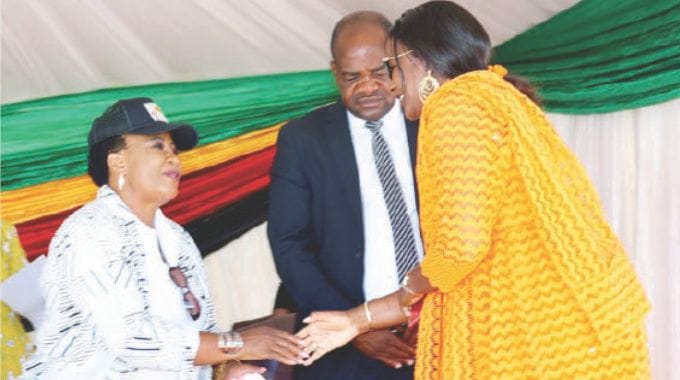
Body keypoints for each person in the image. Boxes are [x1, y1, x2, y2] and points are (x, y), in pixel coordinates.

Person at [297, 2, 652, 379]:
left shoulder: (457, 105)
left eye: (392, 68)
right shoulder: (498, 99)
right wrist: (356, 322)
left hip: (540, 343)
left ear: (418, 60)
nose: (391, 85)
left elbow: (459, 251)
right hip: (571, 329)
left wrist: (412, 283)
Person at [21, 98, 308, 379]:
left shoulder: (178, 240)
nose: (173, 157)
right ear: (118, 161)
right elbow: (131, 340)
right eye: (157, 146)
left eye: (174, 149)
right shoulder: (89, 231)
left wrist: (225, 369)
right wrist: (237, 343)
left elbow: (198, 334)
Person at [267, 11, 423, 380]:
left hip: (438, 334)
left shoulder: (430, 123)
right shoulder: (303, 140)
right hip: (345, 352)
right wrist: (356, 326)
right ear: (335, 72)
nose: (367, 87)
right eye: (353, 77)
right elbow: (289, 243)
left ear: (400, 65)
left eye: (380, 72)